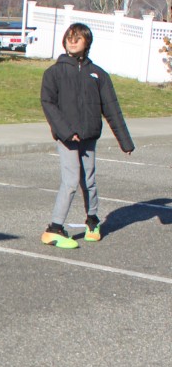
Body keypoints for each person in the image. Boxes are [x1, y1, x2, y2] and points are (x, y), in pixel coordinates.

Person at [40, 22, 134, 248]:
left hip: (89, 137)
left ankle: (92, 221)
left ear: (87, 42)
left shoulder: (98, 74)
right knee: (71, 181)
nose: (72, 41)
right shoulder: (54, 73)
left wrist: (125, 142)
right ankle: (54, 228)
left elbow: (112, 108)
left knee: (89, 180)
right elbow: (48, 104)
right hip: (67, 139)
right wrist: (66, 131)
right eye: (69, 37)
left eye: (78, 38)